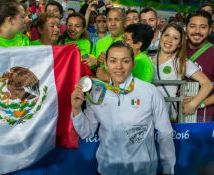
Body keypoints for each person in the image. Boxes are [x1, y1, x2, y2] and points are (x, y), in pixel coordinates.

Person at [71, 41, 175, 175]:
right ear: (106, 64)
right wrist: (76, 109)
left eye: (125, 61)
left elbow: (165, 134)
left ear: (133, 64)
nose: (119, 67)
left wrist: (168, 169)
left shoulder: (150, 92)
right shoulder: (96, 93)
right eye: (113, 61)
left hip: (143, 171)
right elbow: (86, 132)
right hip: (107, 170)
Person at [153, 22, 212, 122]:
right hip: (145, 114)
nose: (169, 40)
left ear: (180, 43)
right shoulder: (146, 59)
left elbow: (207, 84)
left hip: (167, 118)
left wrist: (193, 104)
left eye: (175, 38)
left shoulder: (181, 62)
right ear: (161, 36)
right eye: (166, 35)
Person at [186, 10, 214, 122]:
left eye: (203, 27)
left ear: (210, 30)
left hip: (203, 117)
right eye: (192, 26)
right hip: (173, 114)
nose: (197, 31)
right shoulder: (176, 49)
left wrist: (199, 103)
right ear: (186, 27)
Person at [92, 7, 125, 81]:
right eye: (109, 20)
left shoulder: (130, 42)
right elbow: (93, 66)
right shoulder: (100, 42)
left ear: (124, 22)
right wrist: (97, 62)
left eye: (117, 20)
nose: (112, 24)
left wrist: (108, 78)